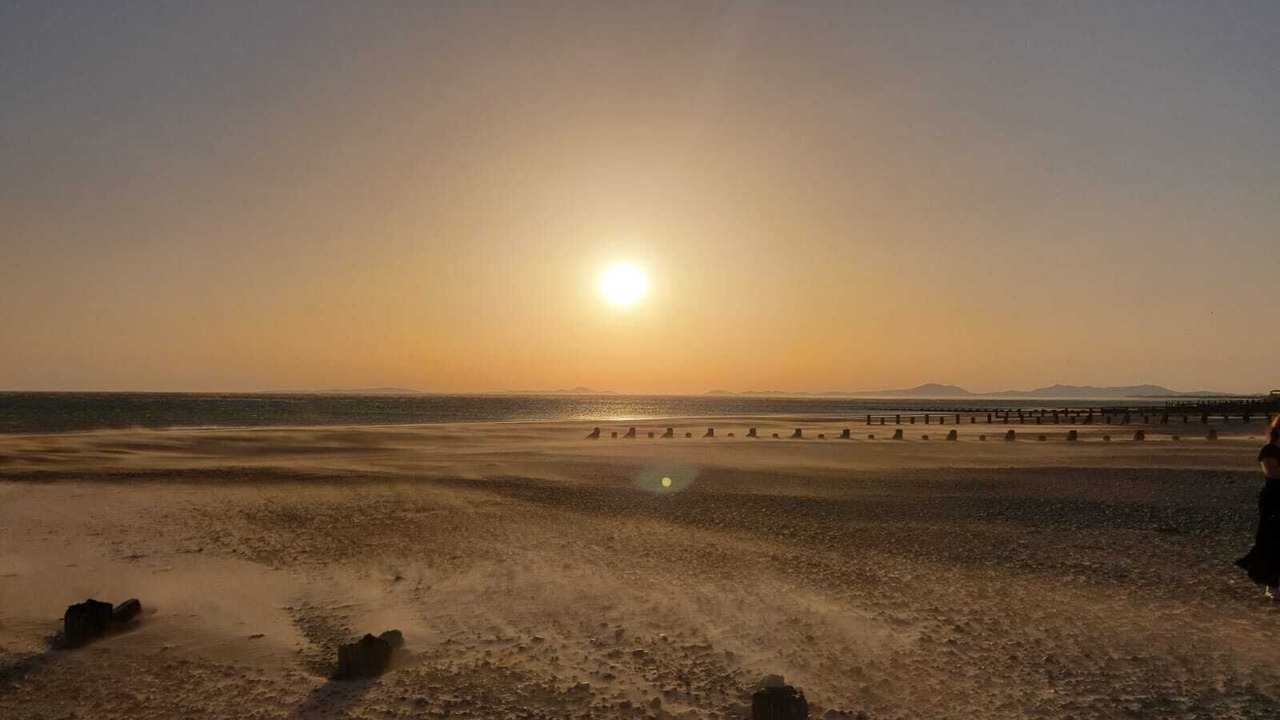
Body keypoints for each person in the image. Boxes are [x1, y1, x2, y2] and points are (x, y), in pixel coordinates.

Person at [1236, 415, 1280, 599]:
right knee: (1271, 539)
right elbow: (1274, 474)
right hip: (1275, 499)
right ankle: (1272, 583)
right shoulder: (1269, 450)